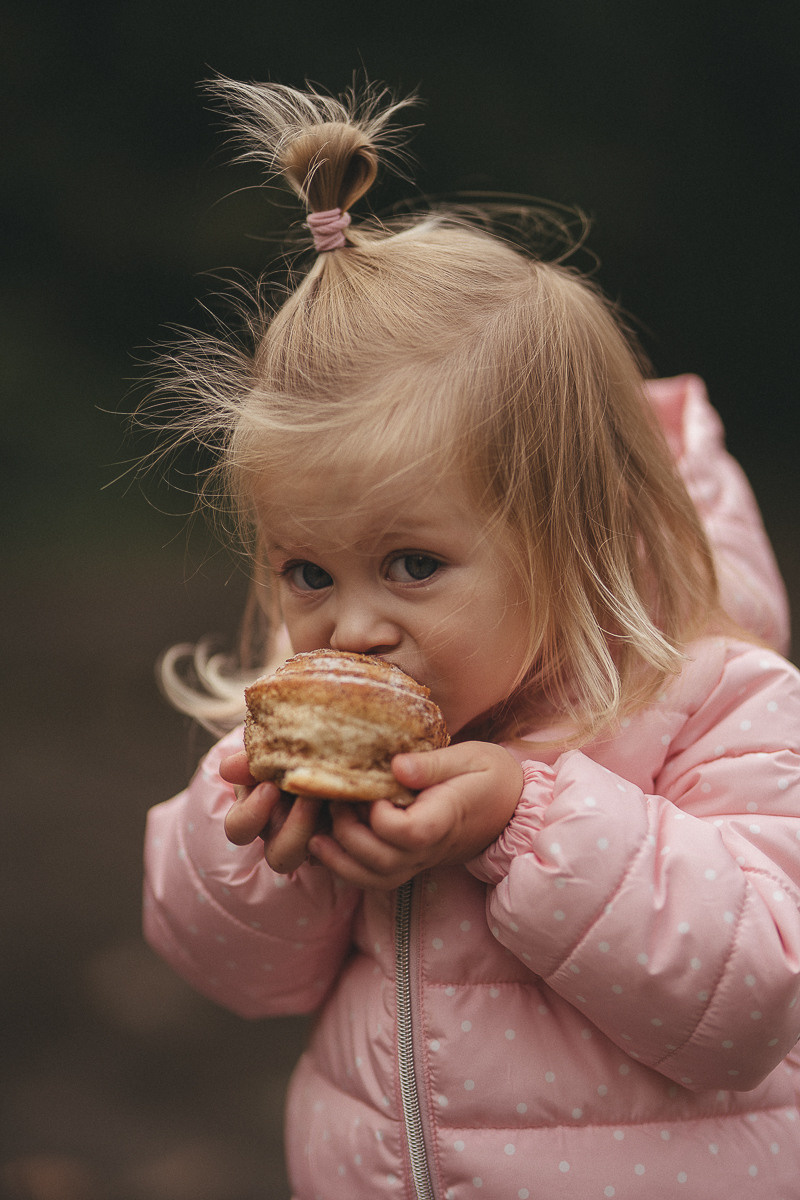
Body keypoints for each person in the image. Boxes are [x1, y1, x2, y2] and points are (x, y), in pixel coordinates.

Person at [143, 78, 800, 1200]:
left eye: (412, 566)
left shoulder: (714, 704)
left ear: (568, 536)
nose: (350, 625)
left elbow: (751, 998)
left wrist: (523, 815)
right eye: (308, 571)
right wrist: (250, 835)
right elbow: (240, 979)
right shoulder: (320, 712)